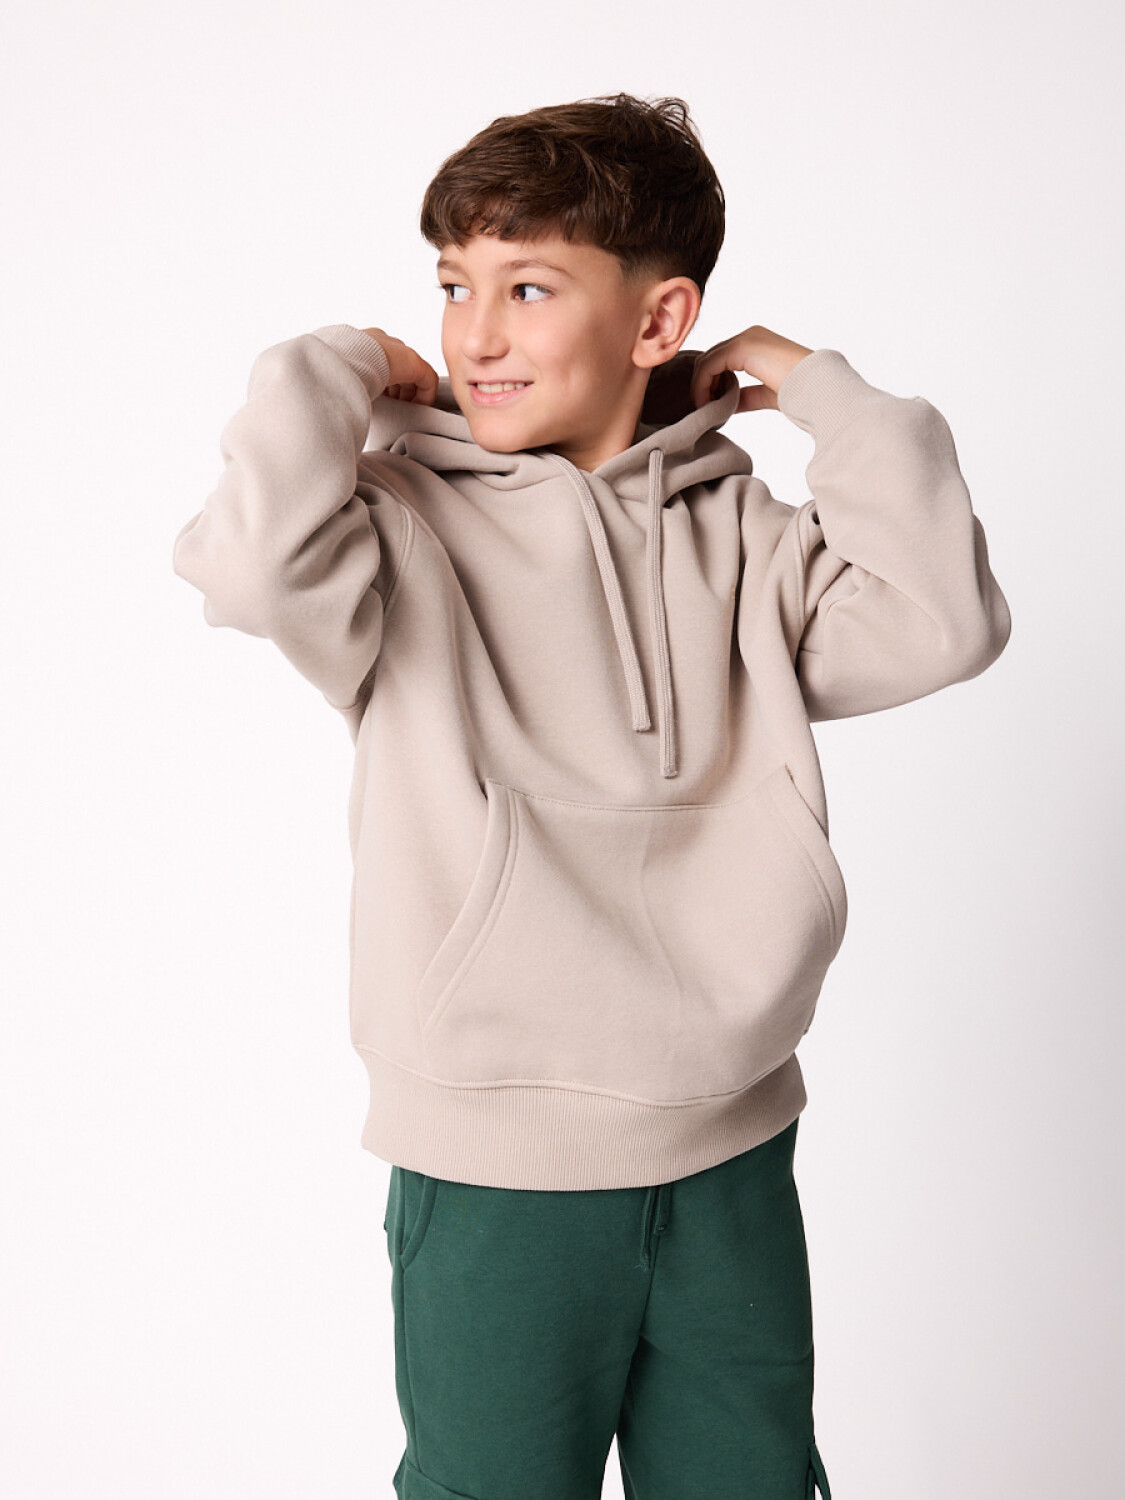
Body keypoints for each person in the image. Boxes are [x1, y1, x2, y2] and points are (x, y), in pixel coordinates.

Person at [172, 93, 1011, 1500]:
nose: (474, 335)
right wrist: (336, 364)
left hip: (732, 1143)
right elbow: (250, 569)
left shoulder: (745, 537)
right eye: (453, 285)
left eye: (528, 287)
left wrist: (820, 389)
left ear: (659, 319)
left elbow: (946, 622)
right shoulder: (395, 526)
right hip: (493, 1160)